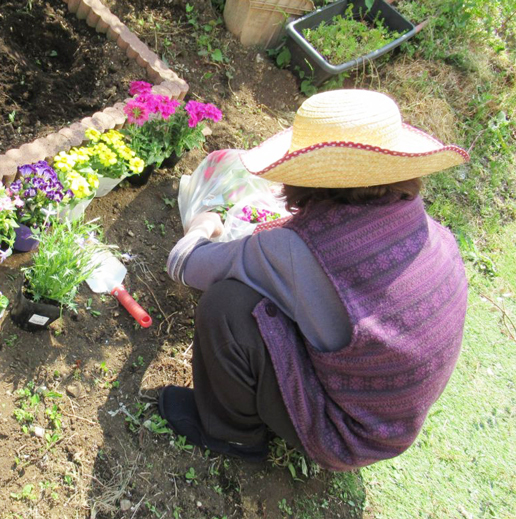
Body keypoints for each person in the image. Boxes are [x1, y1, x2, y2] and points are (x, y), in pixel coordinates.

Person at [160, 89, 470, 471]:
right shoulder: (435, 233)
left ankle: (231, 434)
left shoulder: (297, 250)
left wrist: (202, 225)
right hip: (388, 422)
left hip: (345, 435)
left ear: (304, 177)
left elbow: (184, 264)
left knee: (226, 307)